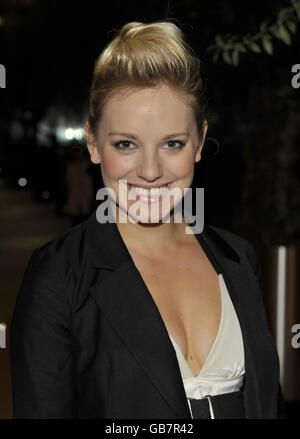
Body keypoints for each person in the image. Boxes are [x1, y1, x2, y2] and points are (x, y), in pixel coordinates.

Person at [10, 20, 286, 419]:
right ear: (92, 144)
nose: (151, 171)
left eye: (172, 143)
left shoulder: (238, 258)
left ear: (199, 143)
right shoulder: (58, 275)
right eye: (126, 144)